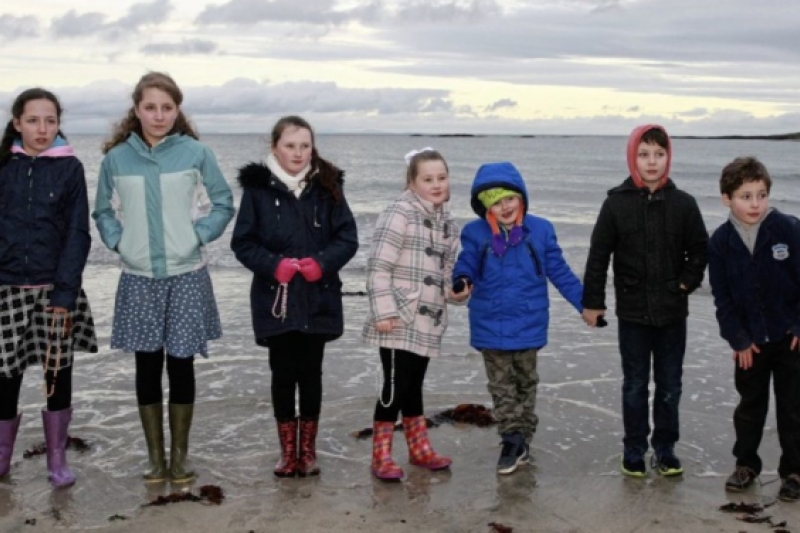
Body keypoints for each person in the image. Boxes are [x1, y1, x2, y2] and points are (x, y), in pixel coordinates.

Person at [93, 72, 234, 483]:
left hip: (187, 274)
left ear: (177, 110)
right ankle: (155, 458)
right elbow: (102, 211)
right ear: (137, 110)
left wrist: (197, 236)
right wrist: (122, 244)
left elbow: (223, 204)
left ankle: (181, 458)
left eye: (167, 107)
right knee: (147, 366)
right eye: (150, 107)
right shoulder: (117, 159)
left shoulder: (196, 153)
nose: (159, 115)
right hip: (138, 276)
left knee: (182, 365)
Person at [231, 115, 358, 478]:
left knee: (311, 374)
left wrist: (323, 263)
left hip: (318, 299)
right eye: (290, 145)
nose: (298, 153)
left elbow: (347, 238)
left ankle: (309, 451)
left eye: (304, 145)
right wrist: (273, 265)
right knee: (283, 374)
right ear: (275, 147)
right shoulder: (257, 191)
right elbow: (242, 243)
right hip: (276, 300)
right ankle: (288, 453)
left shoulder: (328, 186)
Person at [582, 124, 708, 478]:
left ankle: (665, 449)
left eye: (659, 154)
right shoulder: (615, 204)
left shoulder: (684, 203)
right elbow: (598, 256)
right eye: (644, 154)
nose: (652, 162)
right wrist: (593, 302)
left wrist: (685, 283)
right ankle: (634, 449)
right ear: (632, 157)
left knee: (670, 386)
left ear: (668, 158)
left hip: (672, 313)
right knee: (635, 385)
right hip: (633, 313)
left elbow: (699, 250)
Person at [452, 162, 584, 474]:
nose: (505, 206)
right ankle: (511, 439)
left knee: (526, 383)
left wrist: (586, 303)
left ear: (521, 197)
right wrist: (461, 280)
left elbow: (560, 272)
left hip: (528, 322)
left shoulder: (540, 230)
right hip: (490, 323)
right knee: (501, 386)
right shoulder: (475, 233)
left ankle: (524, 436)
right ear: (486, 205)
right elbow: (466, 262)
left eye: (510, 198)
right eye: (496, 201)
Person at [0, 88, 97, 487]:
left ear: (59, 124)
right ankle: (2, 455)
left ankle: (56, 458)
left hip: (55, 288)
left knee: (58, 373)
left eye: (51, 120)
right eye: (34, 120)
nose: (42, 128)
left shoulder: (69, 168)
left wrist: (64, 293)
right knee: (6, 374)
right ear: (17, 123)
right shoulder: (3, 165)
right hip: (6, 290)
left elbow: (78, 233)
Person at [363, 148, 468, 481]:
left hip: (427, 320)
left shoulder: (449, 225)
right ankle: (381, 455)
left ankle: (419, 449)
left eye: (441, 178)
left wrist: (457, 292)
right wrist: (383, 312)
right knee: (394, 387)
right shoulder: (399, 212)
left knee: (415, 386)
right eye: (428, 179)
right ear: (412, 182)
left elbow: (447, 272)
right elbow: (378, 266)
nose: (436, 185)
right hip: (397, 317)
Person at [708, 156, 800, 501]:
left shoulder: (788, 229)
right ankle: (746, 465)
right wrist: (739, 340)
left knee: (792, 408)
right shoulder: (720, 243)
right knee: (750, 407)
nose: (755, 203)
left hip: (790, 340)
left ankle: (794, 470)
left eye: (761, 195)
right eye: (745, 196)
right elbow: (723, 300)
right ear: (726, 198)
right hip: (750, 345)